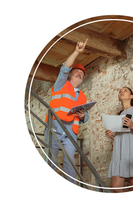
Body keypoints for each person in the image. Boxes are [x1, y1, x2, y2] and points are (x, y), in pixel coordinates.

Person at [44, 39, 89, 184]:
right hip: (54, 128)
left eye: (81, 74)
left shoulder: (82, 96)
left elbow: (85, 116)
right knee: (50, 161)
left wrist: (83, 116)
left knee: (70, 165)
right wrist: (77, 51)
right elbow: (64, 68)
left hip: (71, 133)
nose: (79, 75)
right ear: (69, 75)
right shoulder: (61, 84)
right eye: (76, 72)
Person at [105, 87, 133, 192]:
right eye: (120, 91)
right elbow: (121, 138)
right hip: (119, 154)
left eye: (125, 91)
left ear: (131, 96)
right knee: (116, 188)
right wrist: (111, 135)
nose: (121, 92)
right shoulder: (119, 115)